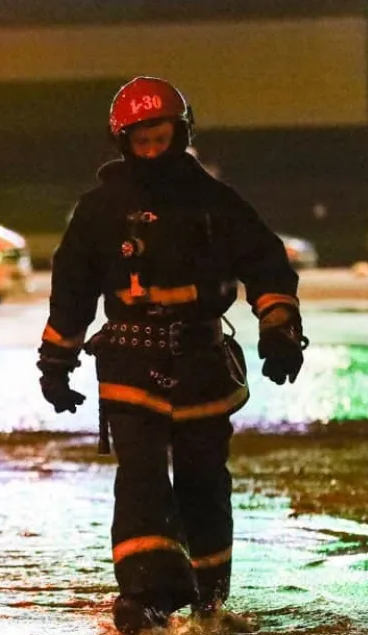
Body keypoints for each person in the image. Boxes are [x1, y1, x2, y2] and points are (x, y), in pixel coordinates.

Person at [36, 77, 307, 634]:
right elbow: (72, 290)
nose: (155, 153)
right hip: (130, 365)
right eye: (144, 143)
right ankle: (145, 599)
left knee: (205, 479)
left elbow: (265, 263)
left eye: (163, 140)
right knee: (141, 479)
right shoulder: (99, 211)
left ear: (181, 134)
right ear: (124, 143)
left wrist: (278, 324)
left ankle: (209, 604)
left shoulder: (214, 201)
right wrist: (55, 363)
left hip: (203, 363)